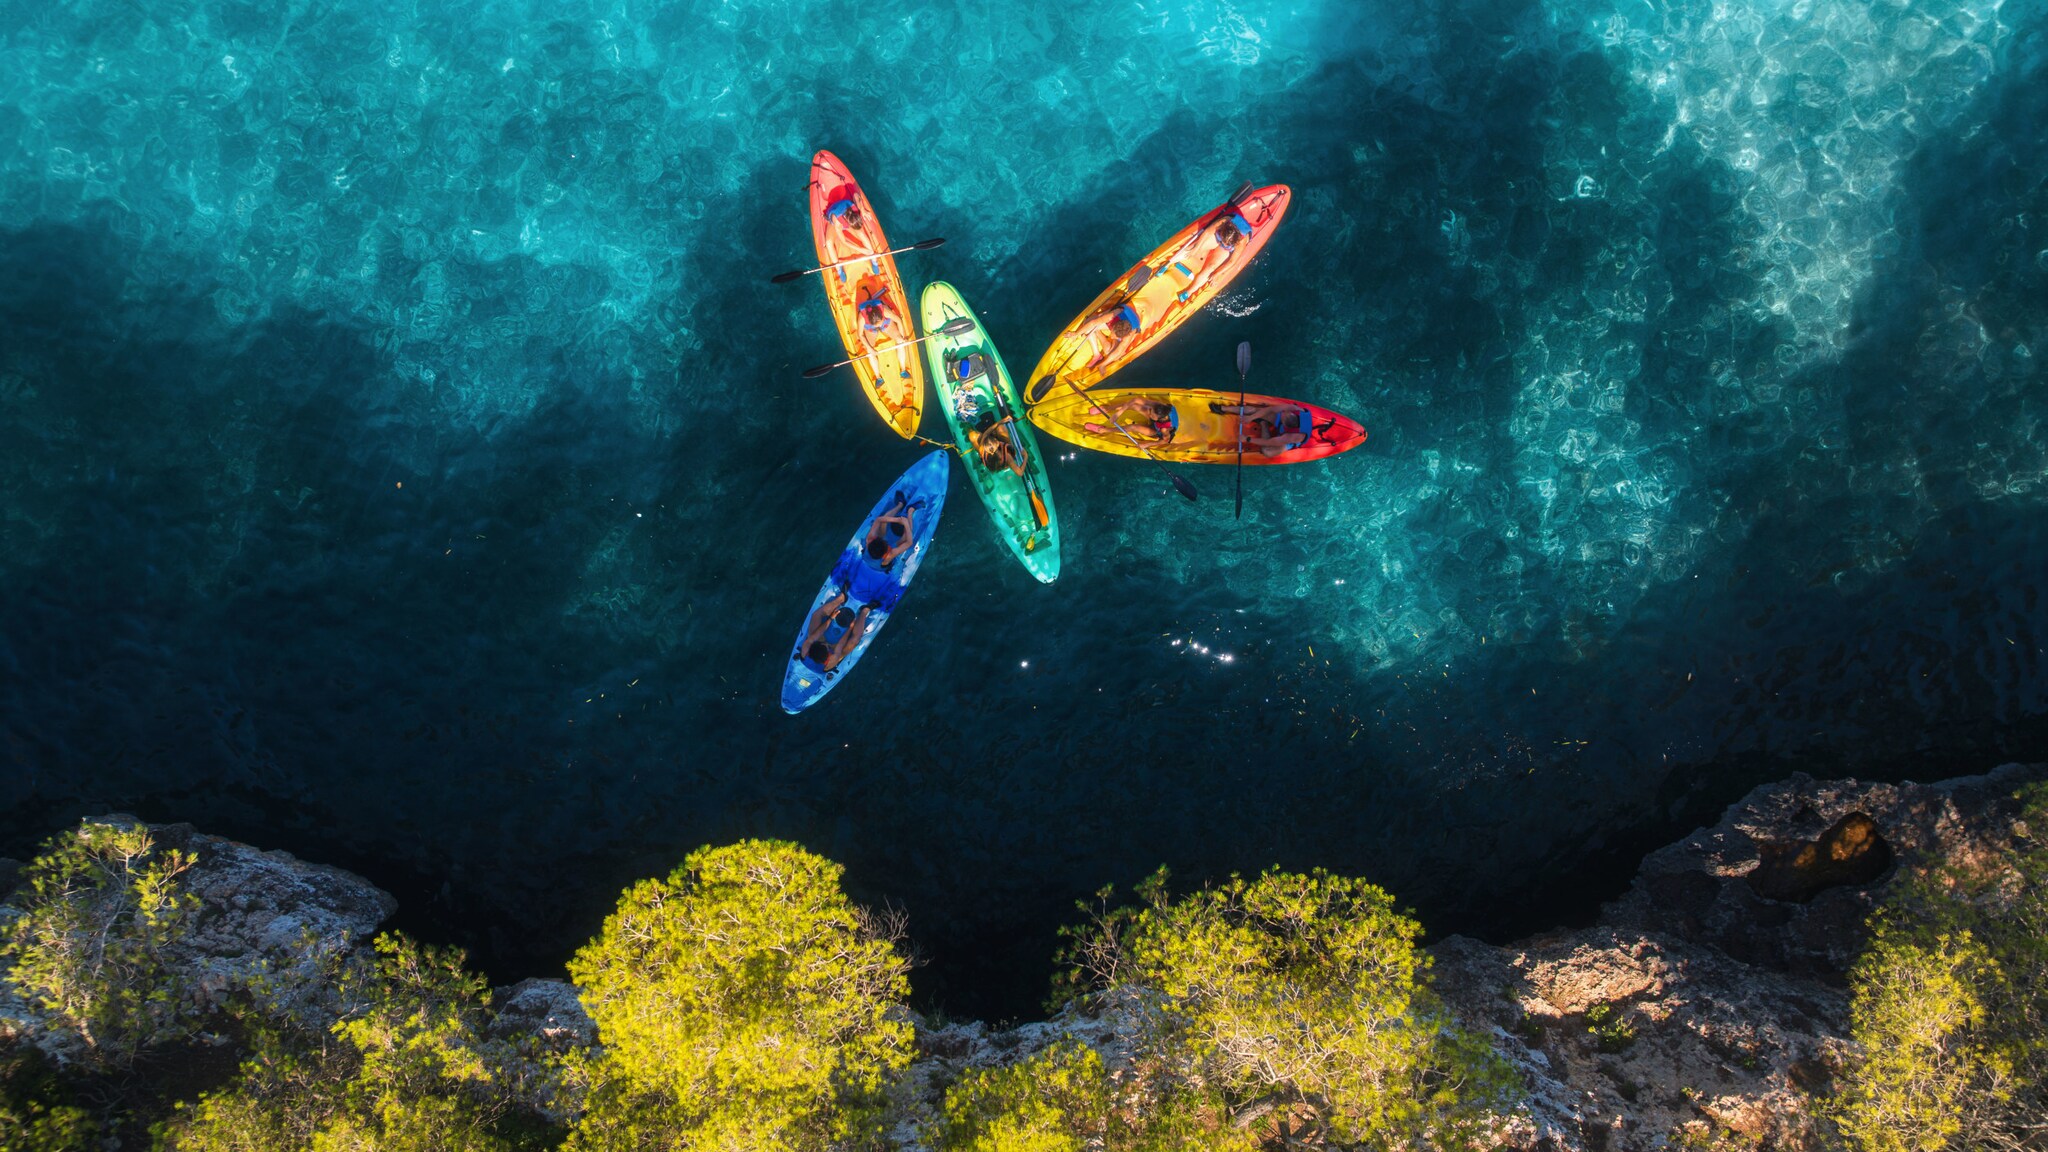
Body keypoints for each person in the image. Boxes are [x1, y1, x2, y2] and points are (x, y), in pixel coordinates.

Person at [1158, 210, 1250, 302]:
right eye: (1222, 241)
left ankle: (1189, 292)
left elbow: (1232, 261)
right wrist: (1196, 249)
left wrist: (1218, 273)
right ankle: (1167, 264)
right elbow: (1207, 233)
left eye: (1225, 243)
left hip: (1226, 248)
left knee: (1211, 267)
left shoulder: (1241, 241)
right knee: (1194, 247)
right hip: (1220, 235)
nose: (1222, 243)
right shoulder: (1224, 222)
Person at [798, 590, 869, 674]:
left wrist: (831, 618)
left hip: (815, 650)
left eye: (824, 644)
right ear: (828, 654)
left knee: (816, 615)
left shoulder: (806, 648)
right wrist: (850, 628)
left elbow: (819, 631)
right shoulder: (831, 661)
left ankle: (842, 598)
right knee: (855, 641)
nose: (826, 644)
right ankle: (864, 611)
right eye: (827, 646)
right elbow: (841, 644)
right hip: (825, 663)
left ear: (814, 645)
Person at [1212, 401, 1314, 456]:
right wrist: (1251, 417)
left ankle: (1264, 424)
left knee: (1267, 451)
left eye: (1282, 416)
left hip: (1285, 439)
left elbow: (1270, 442)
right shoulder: (1293, 409)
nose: (1281, 412)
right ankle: (1222, 408)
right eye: (1283, 413)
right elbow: (1270, 409)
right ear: (1291, 413)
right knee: (1254, 410)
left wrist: (1247, 439)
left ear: (1285, 425)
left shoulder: (1292, 437)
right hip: (1285, 423)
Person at [818, 184, 877, 276]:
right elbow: (844, 241)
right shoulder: (837, 222)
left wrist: (862, 209)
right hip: (834, 219)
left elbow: (856, 195)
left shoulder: (855, 209)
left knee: (861, 234)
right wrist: (862, 250)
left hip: (847, 215)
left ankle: (874, 260)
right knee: (829, 242)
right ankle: (839, 269)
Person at [1084, 395, 1178, 445]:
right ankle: (1107, 408)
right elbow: (1134, 400)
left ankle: (1105, 430)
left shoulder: (1164, 429)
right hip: (1157, 420)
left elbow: (1165, 441)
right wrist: (1118, 413)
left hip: (1155, 430)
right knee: (1134, 406)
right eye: (1150, 411)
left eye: (1151, 414)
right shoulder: (1157, 405)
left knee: (1134, 427)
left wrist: (1148, 444)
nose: (1149, 414)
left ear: (1159, 418)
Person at [968, 410, 1027, 477]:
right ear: (997, 443)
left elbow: (985, 434)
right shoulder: (1007, 456)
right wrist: (1025, 456)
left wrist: (999, 422)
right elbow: (1020, 473)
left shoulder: (982, 449)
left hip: (996, 459)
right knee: (1000, 428)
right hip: (1001, 460)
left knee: (972, 435)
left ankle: (969, 427)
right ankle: (1005, 465)